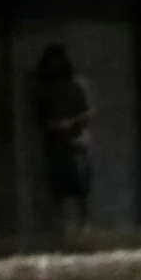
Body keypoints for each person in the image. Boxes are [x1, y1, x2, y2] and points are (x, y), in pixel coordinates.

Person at [32, 44, 93, 231]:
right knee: (58, 190)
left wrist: (71, 122)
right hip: (55, 146)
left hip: (76, 144)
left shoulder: (76, 86)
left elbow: (88, 114)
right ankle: (62, 228)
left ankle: (83, 225)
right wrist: (54, 126)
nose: (55, 66)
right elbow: (39, 119)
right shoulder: (43, 91)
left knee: (80, 189)